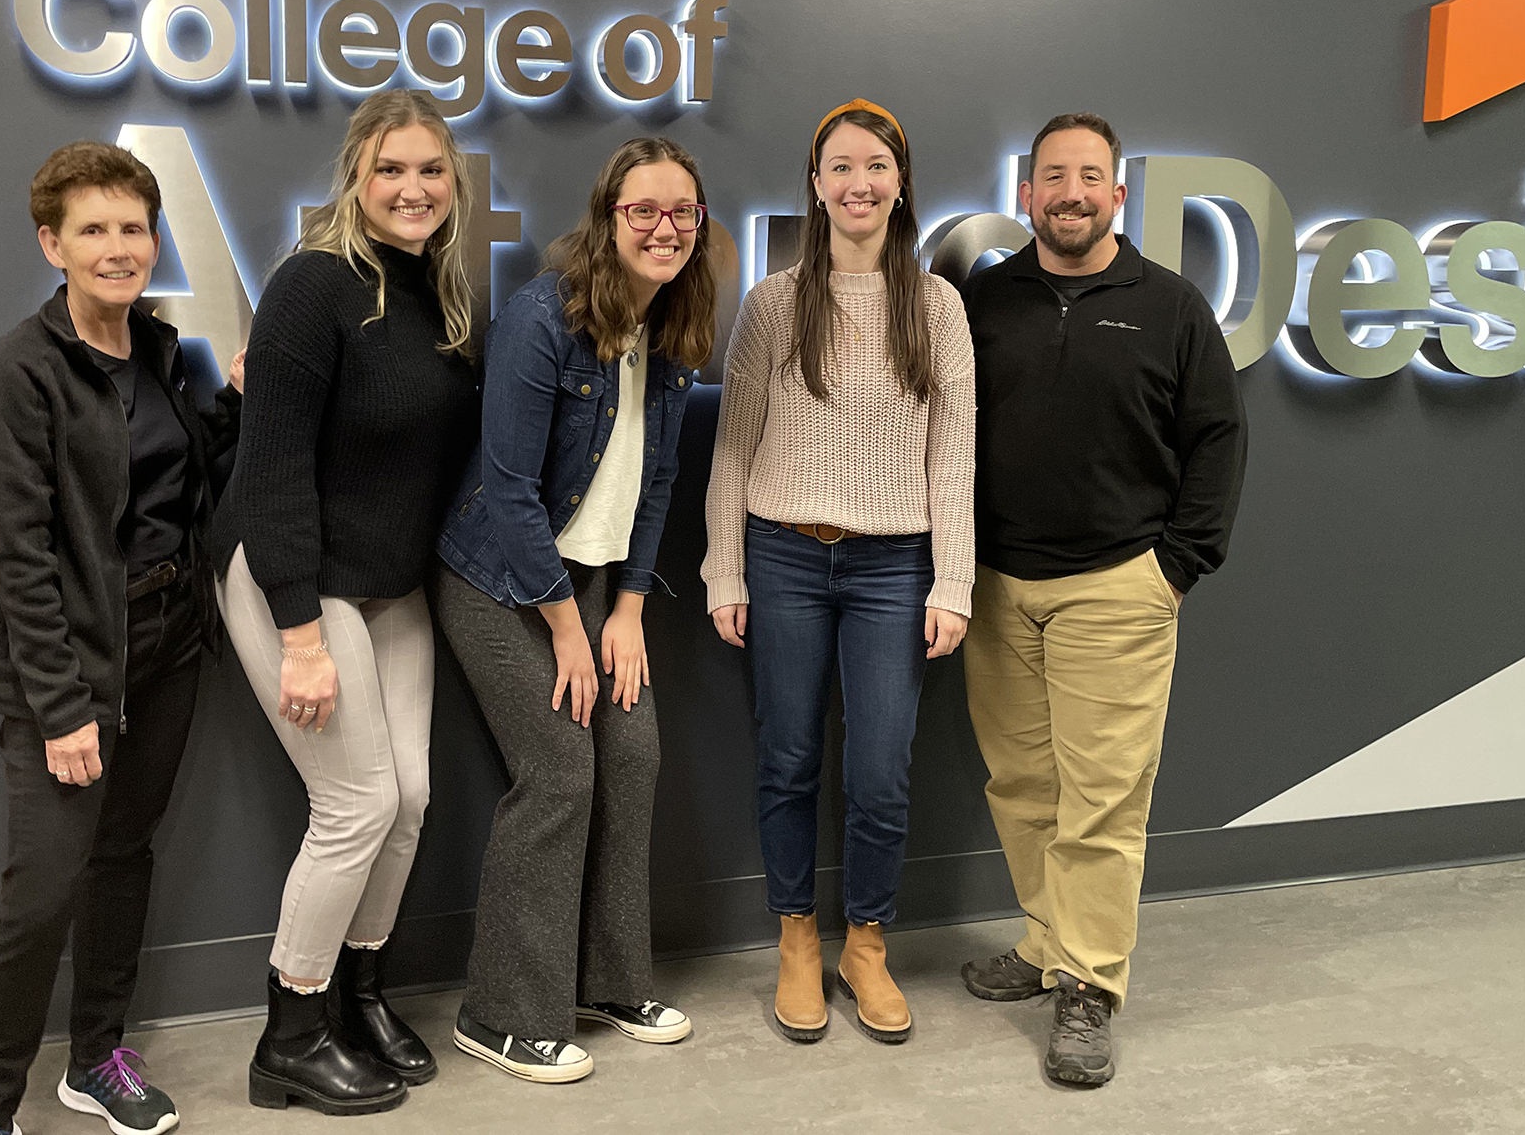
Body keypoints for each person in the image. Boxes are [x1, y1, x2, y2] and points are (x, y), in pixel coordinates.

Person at [0, 142, 241, 1135]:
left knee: (125, 857)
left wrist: (240, 403)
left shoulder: (157, 351)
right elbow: (21, 550)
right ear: (52, 242)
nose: (119, 247)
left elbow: (186, 477)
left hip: (163, 645)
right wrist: (61, 704)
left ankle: (96, 1059)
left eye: (133, 228)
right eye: (94, 229)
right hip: (65, 666)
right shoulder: (20, 372)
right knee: (40, 894)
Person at [957, 113, 1247, 1087]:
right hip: (997, 586)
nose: (1070, 191)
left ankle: (1087, 983)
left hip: (1118, 584)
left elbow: (1215, 437)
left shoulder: (1168, 305)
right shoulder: (983, 301)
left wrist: (1176, 563)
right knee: (1022, 786)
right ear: (1024, 194)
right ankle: (1045, 942)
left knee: (1102, 800)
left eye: (1089, 175)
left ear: (1116, 195)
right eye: (1052, 176)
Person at [208, 90, 482, 1116]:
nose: (411, 189)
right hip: (295, 578)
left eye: (430, 171)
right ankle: (289, 1029)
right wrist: (298, 636)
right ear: (355, 181)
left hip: (389, 587)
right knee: (355, 802)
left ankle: (360, 996)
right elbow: (272, 467)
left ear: (451, 185)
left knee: (407, 799)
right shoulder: (311, 284)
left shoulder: (439, 298)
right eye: (390, 170)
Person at [433, 137, 715, 1083]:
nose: (664, 227)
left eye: (682, 211)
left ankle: (609, 977)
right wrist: (567, 627)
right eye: (644, 209)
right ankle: (502, 1012)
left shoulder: (672, 324)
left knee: (630, 757)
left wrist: (628, 608)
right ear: (608, 216)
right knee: (558, 769)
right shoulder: (541, 317)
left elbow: (659, 478)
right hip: (496, 577)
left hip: (597, 583)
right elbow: (511, 488)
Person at [703, 99, 975, 1046]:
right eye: (841, 167)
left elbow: (955, 453)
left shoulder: (937, 304)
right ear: (815, 185)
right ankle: (795, 938)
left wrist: (955, 581)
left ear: (900, 183)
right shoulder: (774, 303)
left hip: (895, 566)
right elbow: (733, 449)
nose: (859, 183)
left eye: (877, 166)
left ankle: (865, 942)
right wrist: (722, 570)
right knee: (787, 758)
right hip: (782, 554)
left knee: (881, 769)